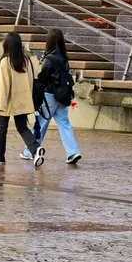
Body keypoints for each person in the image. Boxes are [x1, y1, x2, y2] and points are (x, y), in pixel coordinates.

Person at [0, 31, 40, 167]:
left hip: (7, 100)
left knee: (1, 128)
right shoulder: (26, 60)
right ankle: (36, 148)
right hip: (23, 99)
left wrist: (0, 104)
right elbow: (30, 81)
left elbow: (3, 85)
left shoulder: (6, 61)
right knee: (22, 127)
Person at [32, 27, 82, 167]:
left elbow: (43, 77)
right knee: (64, 123)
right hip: (63, 95)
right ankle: (73, 151)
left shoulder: (49, 58)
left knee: (41, 121)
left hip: (50, 94)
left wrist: (41, 65)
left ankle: (30, 150)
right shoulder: (64, 58)